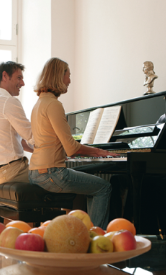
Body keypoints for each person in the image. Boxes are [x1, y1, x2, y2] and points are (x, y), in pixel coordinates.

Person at [28, 57, 119, 228]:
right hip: (51, 174)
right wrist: (100, 152)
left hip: (36, 172)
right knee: (103, 187)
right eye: (68, 75)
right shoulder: (54, 105)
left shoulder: (39, 103)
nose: (69, 80)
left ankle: (82, 230)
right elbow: (71, 148)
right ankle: (93, 237)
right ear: (58, 76)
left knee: (90, 180)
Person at [0, 61, 35, 186]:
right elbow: (32, 136)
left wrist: (37, 150)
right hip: (11, 172)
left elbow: (19, 141)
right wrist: (57, 149)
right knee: (53, 178)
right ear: (5, 76)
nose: (23, 83)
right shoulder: (8, 101)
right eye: (19, 78)